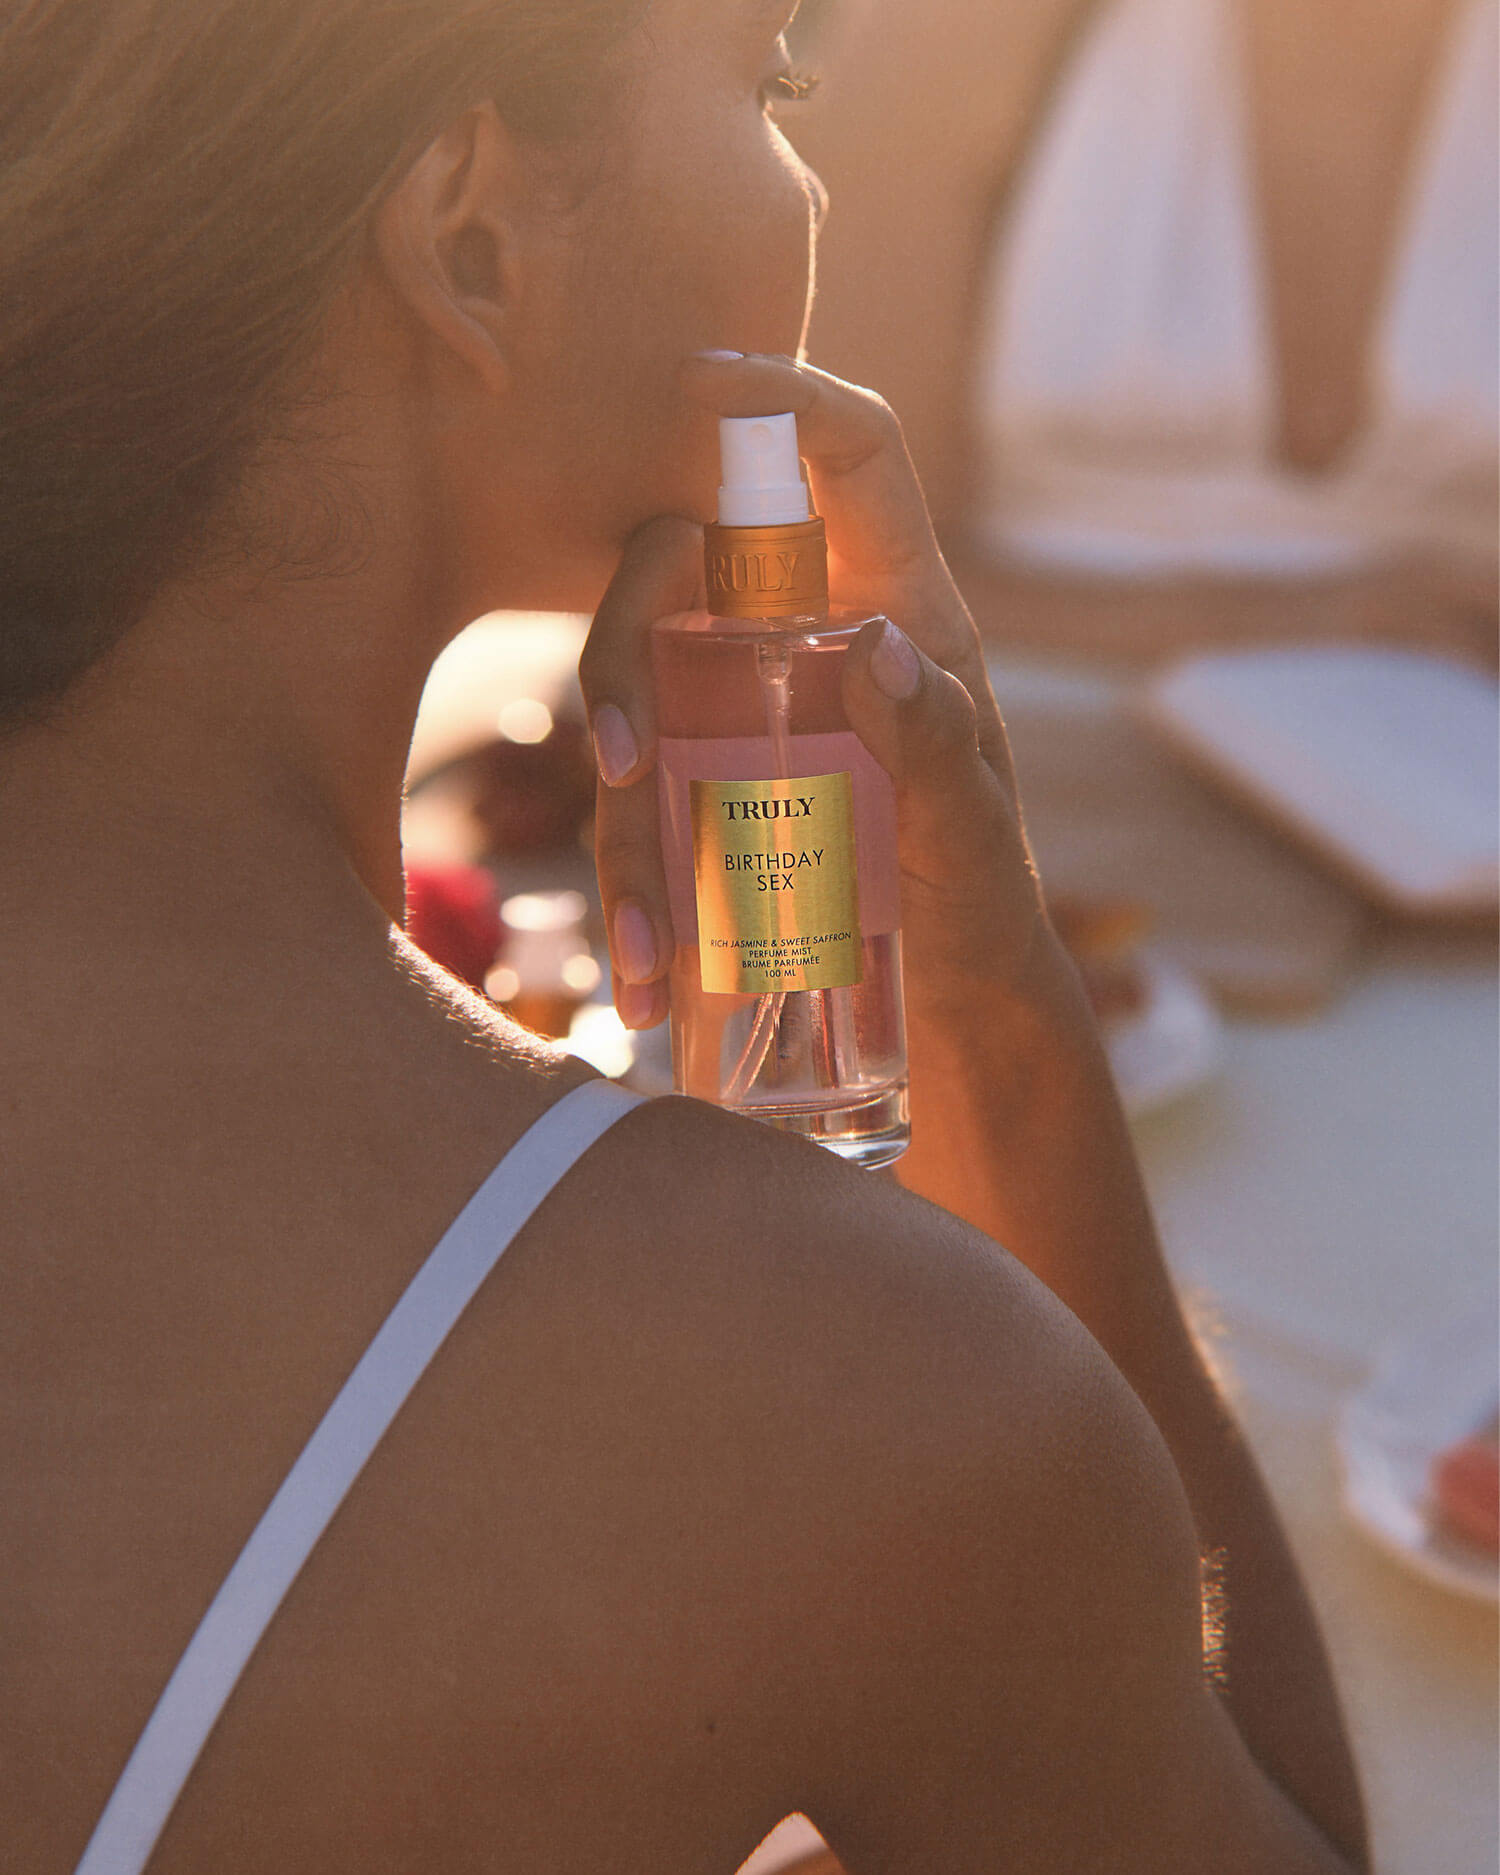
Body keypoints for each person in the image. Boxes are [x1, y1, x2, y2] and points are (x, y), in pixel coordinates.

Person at [2, 3, 1369, 1871]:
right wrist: (993, 1007)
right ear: (473, 236)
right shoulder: (834, 1392)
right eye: (773, 78)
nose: (807, 175)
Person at [791, 0, 1498, 664]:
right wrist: (1291, 625)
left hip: (1448, 762)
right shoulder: (962, 29)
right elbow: (843, 570)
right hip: (1025, 739)